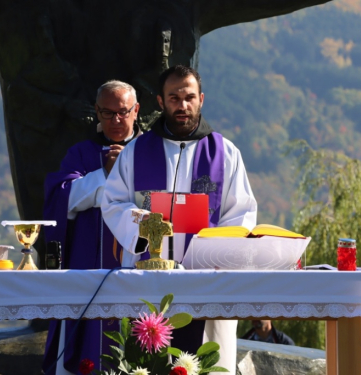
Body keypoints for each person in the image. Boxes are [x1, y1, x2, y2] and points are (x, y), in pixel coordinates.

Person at [101, 65, 257, 374]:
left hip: (205, 281)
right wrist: (146, 223)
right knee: (147, 365)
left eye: (189, 97)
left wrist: (211, 247)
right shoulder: (136, 152)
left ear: (201, 99)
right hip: (149, 283)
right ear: (161, 101)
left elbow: (242, 214)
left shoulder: (224, 153)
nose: (182, 105)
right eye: (174, 97)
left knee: (202, 365)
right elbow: (113, 203)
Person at [42, 80, 141, 374]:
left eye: (123, 112)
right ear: (96, 112)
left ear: (136, 111)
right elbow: (63, 198)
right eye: (107, 113)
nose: (116, 120)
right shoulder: (81, 153)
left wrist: (120, 179)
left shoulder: (151, 152)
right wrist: (105, 175)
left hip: (136, 268)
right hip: (87, 268)